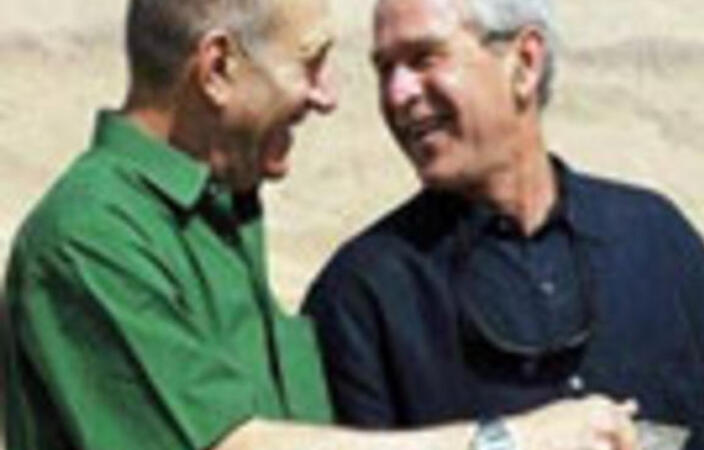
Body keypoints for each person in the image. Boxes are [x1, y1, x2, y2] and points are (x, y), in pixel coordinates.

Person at [2, 0, 642, 449]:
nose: (327, 96)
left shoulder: (219, 222)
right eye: (309, 62)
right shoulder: (90, 238)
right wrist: (508, 442)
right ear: (218, 68)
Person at [302, 0, 704, 448]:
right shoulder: (360, 295)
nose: (398, 93)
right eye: (384, 69)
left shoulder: (653, 237)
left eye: (424, 58)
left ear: (525, 63)